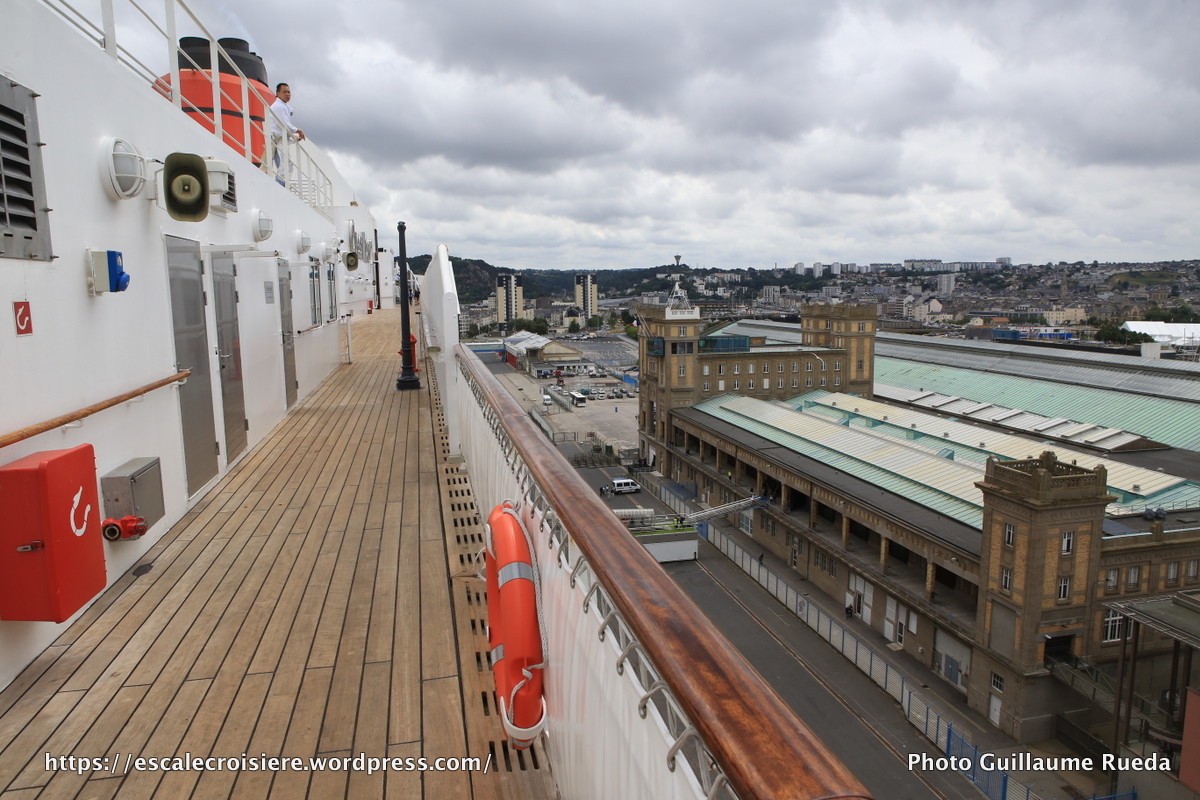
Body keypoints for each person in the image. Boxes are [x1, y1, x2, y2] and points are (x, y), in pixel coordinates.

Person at [267, 83, 305, 181]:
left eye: (289, 92)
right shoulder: (279, 106)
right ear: (277, 93)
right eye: (284, 92)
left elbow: (283, 127)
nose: (287, 94)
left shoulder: (284, 106)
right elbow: (285, 124)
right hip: (277, 140)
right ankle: (278, 187)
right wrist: (298, 130)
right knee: (285, 168)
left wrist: (292, 137)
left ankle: (280, 186)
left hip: (280, 139)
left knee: (286, 167)